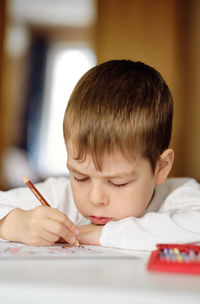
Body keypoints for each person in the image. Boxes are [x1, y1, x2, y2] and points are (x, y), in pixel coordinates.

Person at [0, 60, 199, 251]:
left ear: (161, 167)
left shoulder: (178, 196)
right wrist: (17, 224)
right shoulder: (61, 195)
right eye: (81, 177)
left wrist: (95, 234)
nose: (95, 199)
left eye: (117, 182)